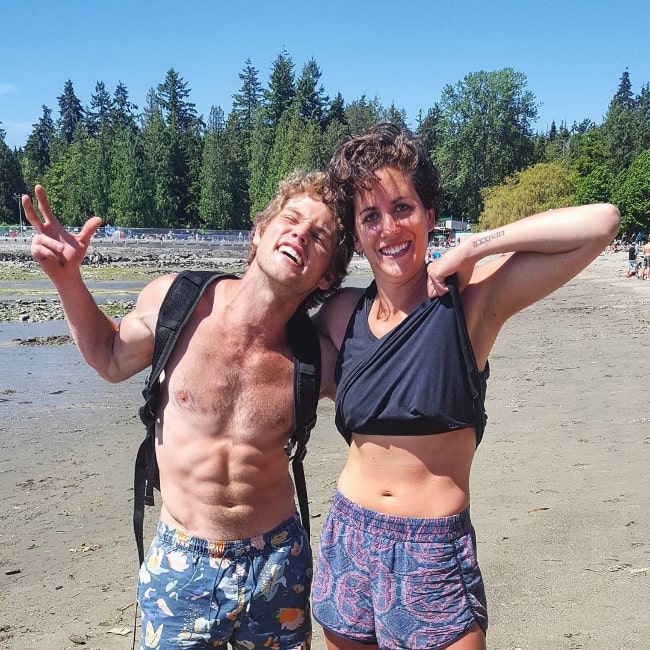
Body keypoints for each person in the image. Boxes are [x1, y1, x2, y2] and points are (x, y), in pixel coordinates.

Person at [311, 123, 620, 650]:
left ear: (430, 215)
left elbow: (600, 222)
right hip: (349, 537)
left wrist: (471, 247)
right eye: (370, 216)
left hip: (432, 551)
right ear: (357, 234)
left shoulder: (469, 304)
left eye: (403, 208)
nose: (388, 228)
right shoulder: (343, 316)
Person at [23, 171, 354, 650]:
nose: (300, 234)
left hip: (278, 566)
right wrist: (67, 278)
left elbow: (388, 412)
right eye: (291, 218)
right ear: (260, 232)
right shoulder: (176, 303)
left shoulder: (315, 355)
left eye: (319, 236)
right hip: (183, 562)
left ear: (327, 274)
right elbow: (110, 357)